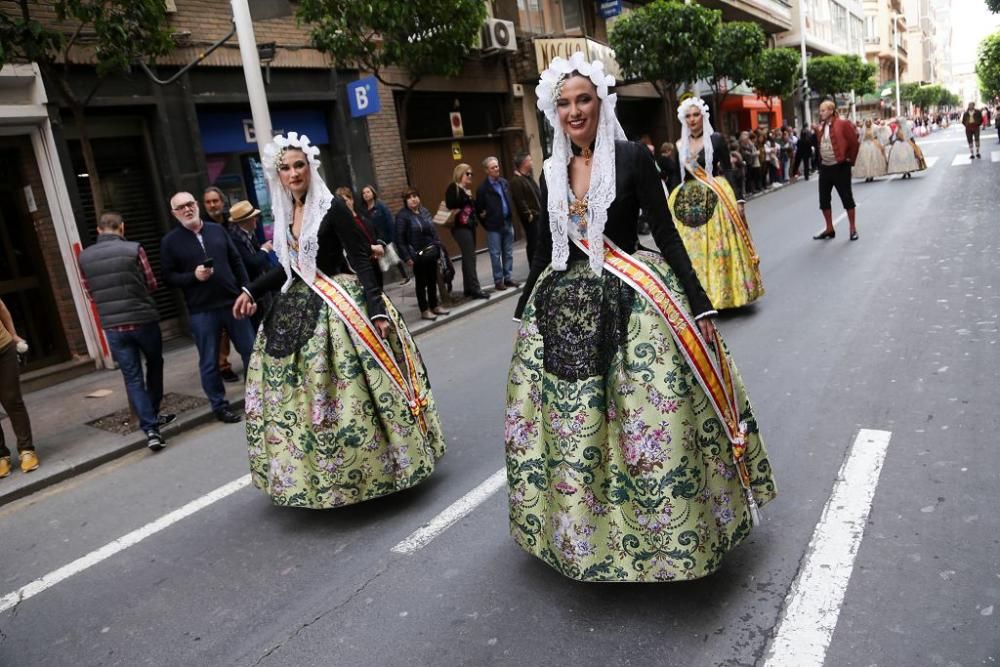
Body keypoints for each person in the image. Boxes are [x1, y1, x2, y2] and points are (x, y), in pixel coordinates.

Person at [506, 52, 775, 583]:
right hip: (562, 307)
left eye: (583, 99)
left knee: (645, 420)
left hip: (630, 298)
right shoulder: (551, 169)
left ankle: (665, 535)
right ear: (553, 112)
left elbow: (666, 233)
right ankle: (584, 533)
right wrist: (524, 307)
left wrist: (698, 302)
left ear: (601, 102)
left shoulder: (630, 157)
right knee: (573, 427)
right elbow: (544, 247)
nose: (574, 111)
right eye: (564, 103)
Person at [231, 132, 445, 509]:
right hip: (298, 306)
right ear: (277, 175)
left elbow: (361, 258)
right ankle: (317, 475)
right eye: (286, 168)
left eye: (299, 165)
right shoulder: (283, 213)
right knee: (299, 394)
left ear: (310, 168)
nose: (294, 173)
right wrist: (250, 290)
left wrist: (375, 306)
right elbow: (288, 269)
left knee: (346, 389)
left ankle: (377, 466)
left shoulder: (331, 208)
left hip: (337, 302)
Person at [78, 211, 174, 450]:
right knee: (154, 364)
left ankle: (151, 429)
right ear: (122, 227)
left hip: (113, 326)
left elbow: (89, 292)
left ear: (99, 230)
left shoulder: (84, 257)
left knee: (132, 377)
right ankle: (152, 415)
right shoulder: (135, 249)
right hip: (143, 319)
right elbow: (151, 283)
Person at [161, 192, 255, 423]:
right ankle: (219, 406)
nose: (187, 210)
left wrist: (247, 291)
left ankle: (256, 399)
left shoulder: (216, 230)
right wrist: (193, 276)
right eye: (181, 207)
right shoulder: (170, 242)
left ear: (197, 206)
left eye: (190, 204)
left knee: (251, 351)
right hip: (202, 309)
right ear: (174, 214)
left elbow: (236, 261)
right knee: (210, 361)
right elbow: (168, 277)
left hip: (233, 301)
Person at [667, 98, 763, 310]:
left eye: (696, 115)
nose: (692, 120)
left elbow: (728, 169)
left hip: (716, 195)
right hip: (688, 203)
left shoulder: (716, 139)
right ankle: (699, 296)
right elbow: (675, 177)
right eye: (688, 116)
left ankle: (723, 294)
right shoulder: (679, 145)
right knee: (693, 250)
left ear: (703, 116)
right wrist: (669, 205)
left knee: (718, 246)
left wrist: (738, 199)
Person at [396, 187, 450, 320]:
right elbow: (400, 239)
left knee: (433, 279)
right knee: (421, 282)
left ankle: (434, 305)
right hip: (416, 254)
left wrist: (438, 246)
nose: (413, 199)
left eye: (415, 196)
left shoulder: (424, 211)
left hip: (430, 251)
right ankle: (424, 309)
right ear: (405, 201)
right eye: (409, 197)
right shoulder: (402, 216)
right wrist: (407, 257)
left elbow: (433, 231)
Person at [202, 187, 239, 384]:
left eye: (215, 201)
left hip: (235, 281)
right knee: (222, 332)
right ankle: (223, 365)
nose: (212, 205)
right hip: (215, 286)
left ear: (222, 202)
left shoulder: (230, 223)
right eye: (208, 202)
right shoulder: (202, 226)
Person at [812, 100, 860, 242]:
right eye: (820, 110)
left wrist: (849, 160)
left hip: (840, 167)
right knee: (824, 200)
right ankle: (829, 229)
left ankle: (852, 228)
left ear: (831, 111)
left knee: (847, 198)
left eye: (823, 110)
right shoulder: (822, 127)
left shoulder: (843, 124)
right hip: (825, 168)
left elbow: (854, 143)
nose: (821, 113)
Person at [0, 297, 37, 477]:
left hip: (3, 349)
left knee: (12, 400)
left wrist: (13, 335)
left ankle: (26, 450)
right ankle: (1, 456)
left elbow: (3, 310)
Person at [227, 201, 274, 329]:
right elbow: (252, 263)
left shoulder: (249, 235)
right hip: (252, 291)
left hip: (261, 287)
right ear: (246, 220)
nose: (256, 219)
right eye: (253, 217)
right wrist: (264, 250)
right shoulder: (236, 239)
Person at [444, 164, 488, 300]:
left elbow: (471, 207)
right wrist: (466, 198)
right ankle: (475, 289)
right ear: (460, 174)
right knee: (470, 257)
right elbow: (451, 203)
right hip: (460, 228)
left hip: (469, 226)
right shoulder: (453, 188)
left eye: (471, 174)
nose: (470, 176)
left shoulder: (465, 190)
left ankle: (468, 288)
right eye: (467, 174)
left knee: (467, 257)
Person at [475, 157, 519, 291]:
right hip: (494, 226)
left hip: (507, 222)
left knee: (508, 252)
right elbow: (479, 210)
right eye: (493, 167)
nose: (496, 169)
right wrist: (488, 224)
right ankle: (498, 280)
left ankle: (508, 278)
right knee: (495, 254)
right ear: (486, 170)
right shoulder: (483, 189)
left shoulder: (504, 183)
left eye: (497, 166)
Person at [336, 186, 386, 289]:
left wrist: (379, 244)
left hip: (375, 260)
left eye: (345, 200)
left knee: (380, 288)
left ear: (351, 199)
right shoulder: (343, 222)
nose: (344, 204)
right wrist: (371, 249)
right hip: (361, 264)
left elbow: (374, 231)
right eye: (341, 202)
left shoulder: (362, 214)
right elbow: (352, 244)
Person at [361, 184, 409, 284]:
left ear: (373, 193)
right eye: (364, 193)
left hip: (385, 237)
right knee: (379, 260)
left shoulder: (380, 206)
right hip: (374, 239)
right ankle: (379, 284)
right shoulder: (364, 210)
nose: (366, 194)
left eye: (368, 192)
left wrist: (391, 237)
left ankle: (405, 276)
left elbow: (389, 221)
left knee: (394, 257)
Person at [509, 153, 542, 266]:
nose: (532, 162)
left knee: (539, 243)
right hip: (531, 219)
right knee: (533, 243)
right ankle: (534, 267)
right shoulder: (516, 181)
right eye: (530, 160)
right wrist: (528, 215)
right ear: (524, 163)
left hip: (538, 216)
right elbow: (520, 200)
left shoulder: (527, 178)